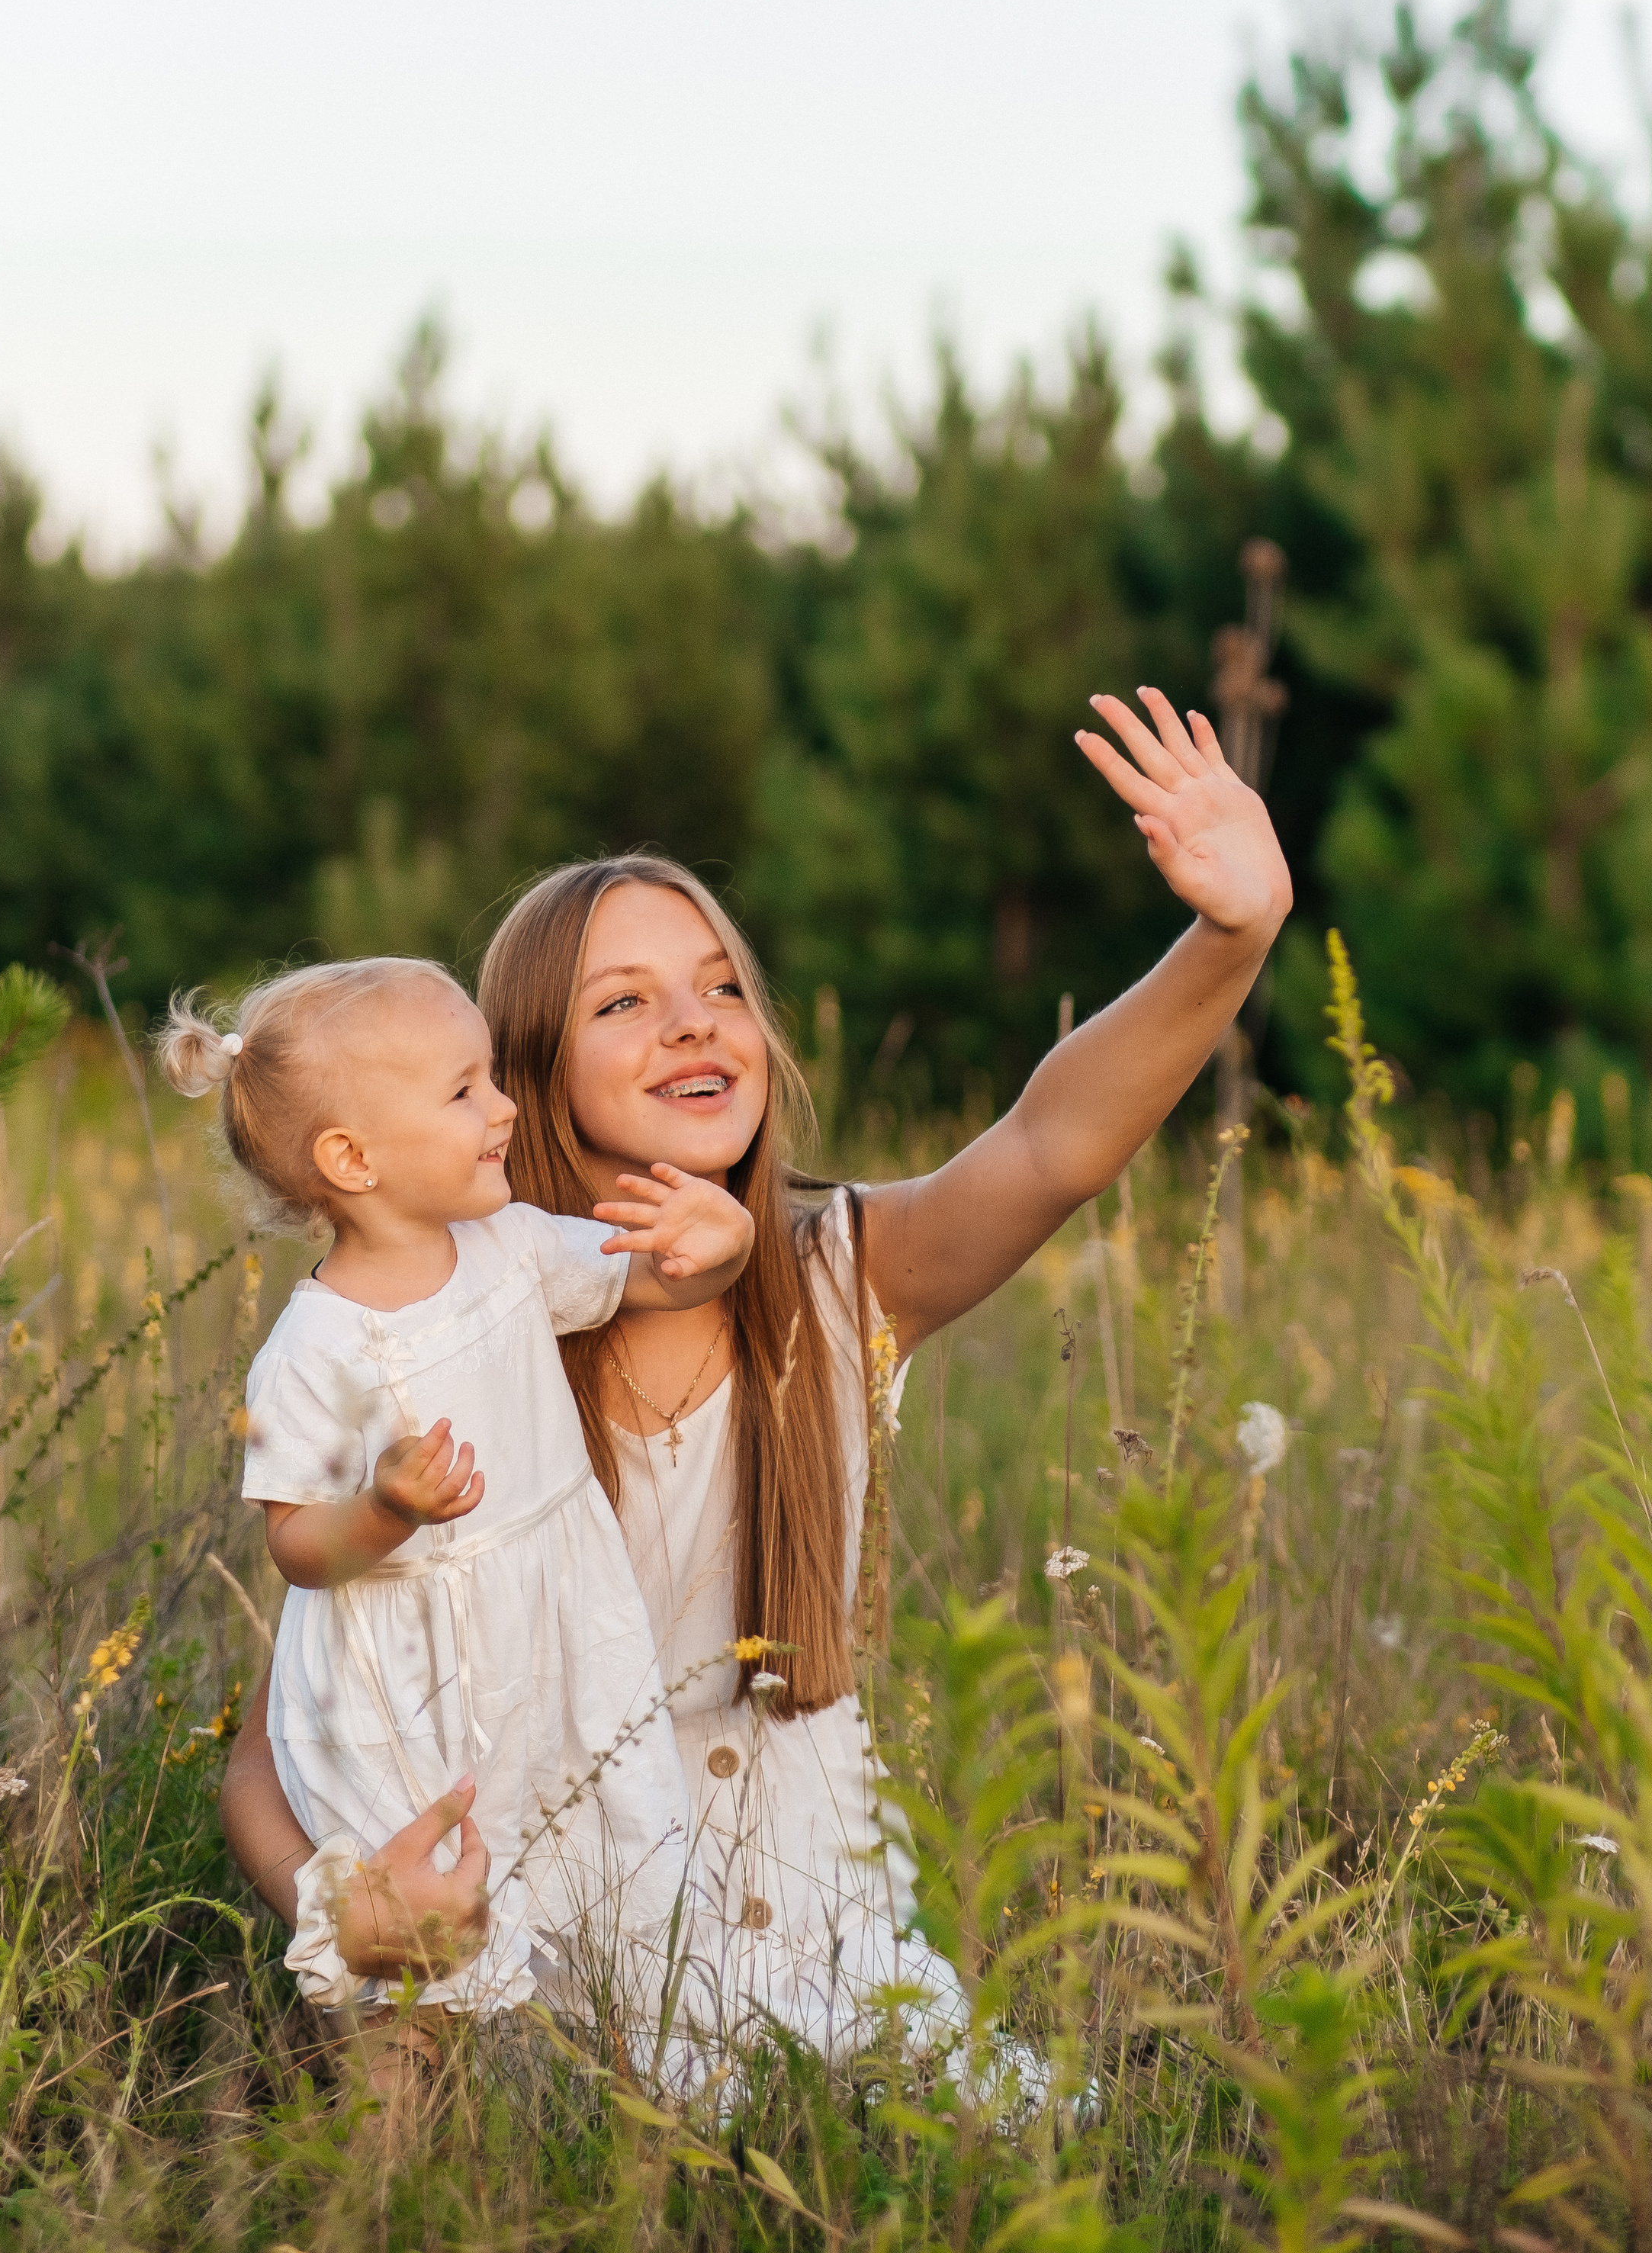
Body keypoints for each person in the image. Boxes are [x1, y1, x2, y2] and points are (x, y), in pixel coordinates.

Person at [220, 687, 1292, 2062]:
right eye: (627, 1002)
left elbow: (1048, 1145)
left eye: (722, 986)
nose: (695, 1022)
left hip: (814, 1945)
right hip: (544, 1957)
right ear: (515, 1076)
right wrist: (342, 1905)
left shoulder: (841, 1276)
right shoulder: (445, 1337)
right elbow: (279, 1738)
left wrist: (1229, 935)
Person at [160, 955, 754, 2014]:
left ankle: (590, 2099)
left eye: (490, 1078)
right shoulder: (314, 1351)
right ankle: (392, 2139)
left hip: (548, 1630)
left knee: (592, 1864)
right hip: (408, 1680)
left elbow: (650, 1274)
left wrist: (723, 1244)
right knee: (420, 1938)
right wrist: (386, 1510)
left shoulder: (510, 1247)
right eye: (464, 1091)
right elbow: (297, 1548)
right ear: (352, 1159)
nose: (506, 1108)